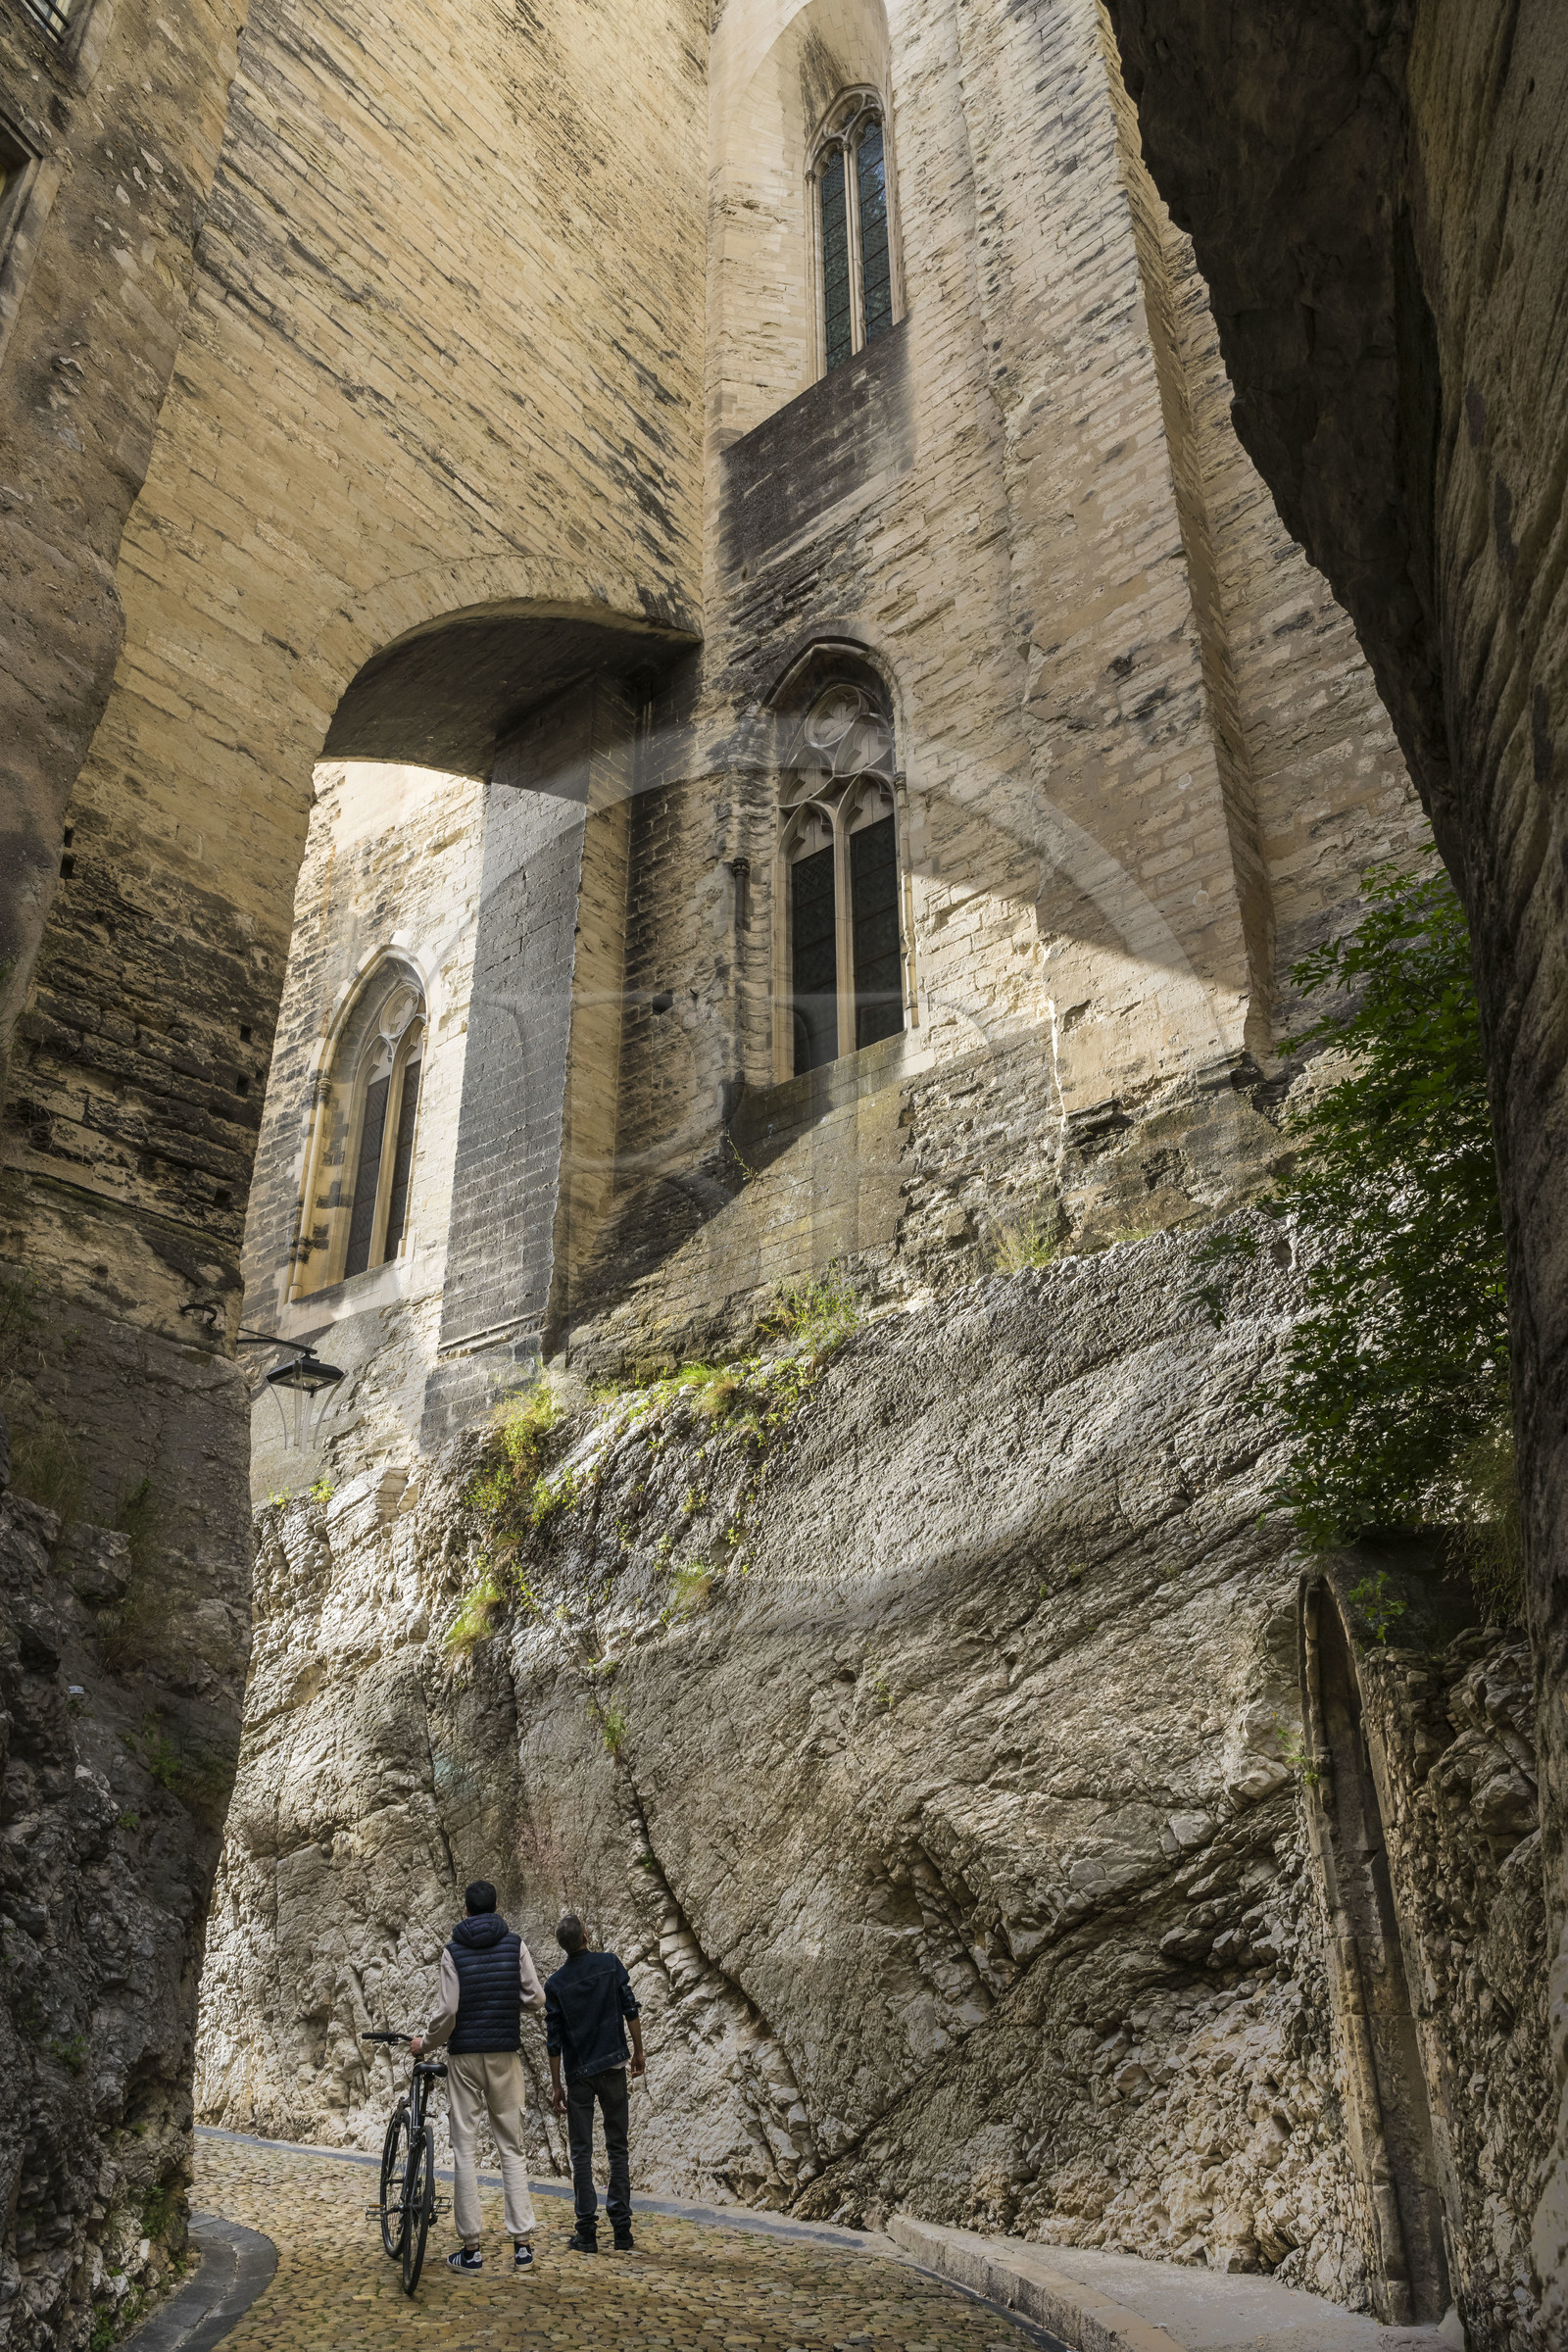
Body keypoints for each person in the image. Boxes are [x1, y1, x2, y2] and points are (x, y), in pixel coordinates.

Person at [411, 1879, 546, 2277]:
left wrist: (427, 2044)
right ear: (497, 1906)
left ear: (465, 1910)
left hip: (465, 2057)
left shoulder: (452, 1951)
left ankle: (471, 2251)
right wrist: (507, 2002)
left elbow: (449, 2009)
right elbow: (536, 1998)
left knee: (465, 2149)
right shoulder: (515, 1944)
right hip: (504, 2054)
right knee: (511, 2147)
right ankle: (522, 2246)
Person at [545, 1913, 646, 2253]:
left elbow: (554, 2040)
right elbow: (630, 2009)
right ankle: (622, 2231)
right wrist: (638, 2052)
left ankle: (586, 2232)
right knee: (618, 2148)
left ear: (564, 1946)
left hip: (579, 2077)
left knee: (581, 2153)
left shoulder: (556, 1984)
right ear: (586, 1936)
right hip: (614, 2064)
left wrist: (557, 2084)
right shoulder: (610, 1964)